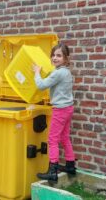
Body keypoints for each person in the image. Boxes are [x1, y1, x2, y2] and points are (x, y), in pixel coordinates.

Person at [33, 43, 76, 183]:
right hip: (69, 108)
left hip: (60, 110)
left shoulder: (58, 73)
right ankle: (70, 165)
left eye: (59, 55)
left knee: (52, 140)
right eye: (53, 55)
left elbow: (41, 86)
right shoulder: (67, 72)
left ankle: (52, 171)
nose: (55, 58)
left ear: (65, 58)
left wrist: (36, 73)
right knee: (64, 137)